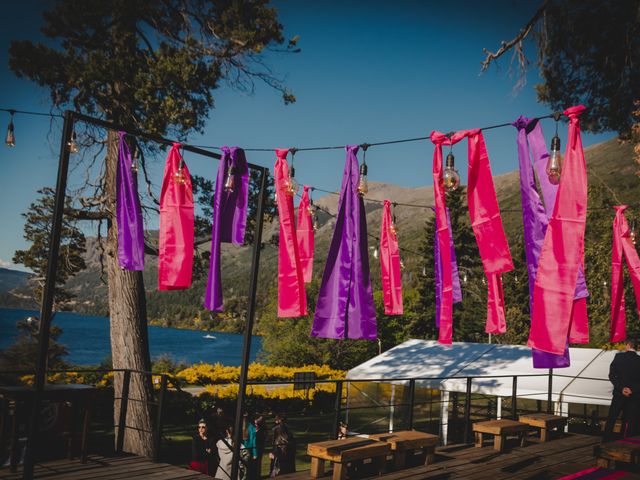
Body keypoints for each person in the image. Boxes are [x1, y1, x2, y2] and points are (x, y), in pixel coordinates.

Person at [604, 337, 640, 441]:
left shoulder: (618, 357)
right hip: (634, 395)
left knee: (612, 418)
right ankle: (624, 441)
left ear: (627, 345)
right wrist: (632, 390)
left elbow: (612, 375)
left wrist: (621, 388)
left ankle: (606, 440)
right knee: (629, 420)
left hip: (619, 393)